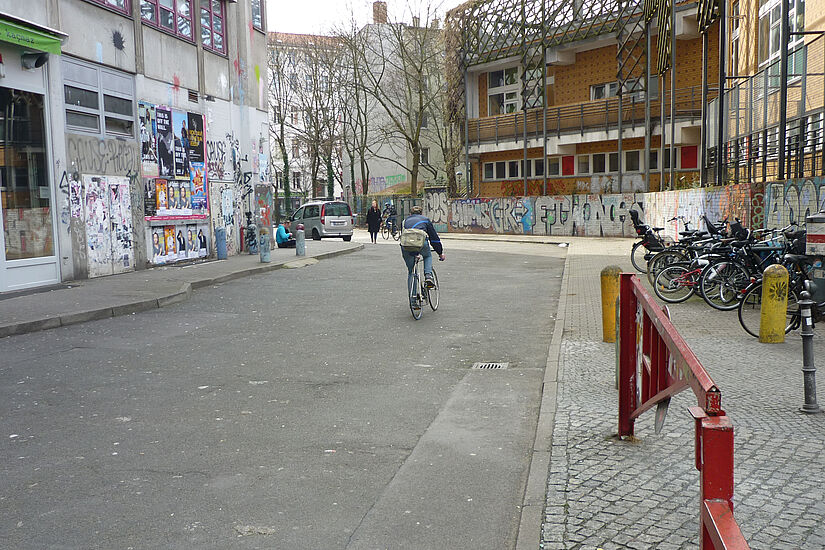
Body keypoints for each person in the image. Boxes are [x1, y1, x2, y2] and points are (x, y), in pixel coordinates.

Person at [401, 205, 444, 297]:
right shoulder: (425, 220)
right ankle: (428, 276)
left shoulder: (405, 221)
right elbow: (434, 239)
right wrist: (440, 253)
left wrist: (414, 253)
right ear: (421, 213)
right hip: (421, 244)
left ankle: (413, 300)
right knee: (427, 256)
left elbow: (405, 237)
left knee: (411, 271)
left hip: (406, 246)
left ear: (410, 214)